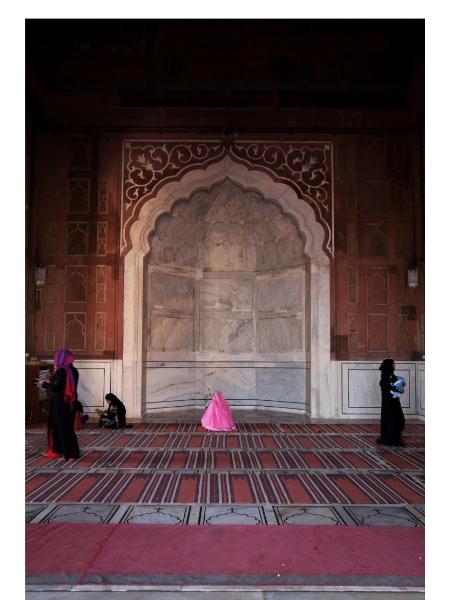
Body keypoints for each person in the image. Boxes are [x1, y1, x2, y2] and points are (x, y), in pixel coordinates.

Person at [39, 349, 80, 460]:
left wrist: (43, 384)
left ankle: (58, 451)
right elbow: (63, 386)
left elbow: (55, 388)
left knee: (56, 428)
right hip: (70, 404)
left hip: (59, 404)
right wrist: (51, 380)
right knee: (67, 428)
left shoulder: (61, 371)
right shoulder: (74, 371)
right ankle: (71, 453)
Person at [377, 358, 406, 446]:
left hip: (391, 402)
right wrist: (399, 388)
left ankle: (391, 438)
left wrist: (400, 386)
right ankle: (392, 439)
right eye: (393, 364)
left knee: (395, 420)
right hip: (391, 403)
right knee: (395, 420)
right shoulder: (387, 376)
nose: (394, 366)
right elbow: (391, 387)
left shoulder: (388, 375)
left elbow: (393, 386)